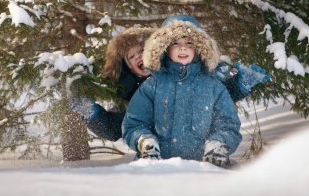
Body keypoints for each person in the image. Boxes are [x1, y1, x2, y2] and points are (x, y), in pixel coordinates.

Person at [71, 15, 270, 143]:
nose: (140, 57)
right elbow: (117, 128)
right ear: (127, 66)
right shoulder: (136, 90)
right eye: (132, 56)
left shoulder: (189, 70)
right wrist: (93, 115)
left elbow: (215, 96)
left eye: (143, 51)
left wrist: (241, 85)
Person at [122, 18, 243, 168]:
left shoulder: (213, 87)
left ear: (199, 48)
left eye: (189, 43)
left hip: (203, 169)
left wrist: (218, 143)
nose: (182, 48)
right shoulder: (152, 86)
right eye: (176, 43)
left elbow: (228, 124)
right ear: (164, 48)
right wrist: (144, 141)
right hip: (157, 169)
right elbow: (134, 123)